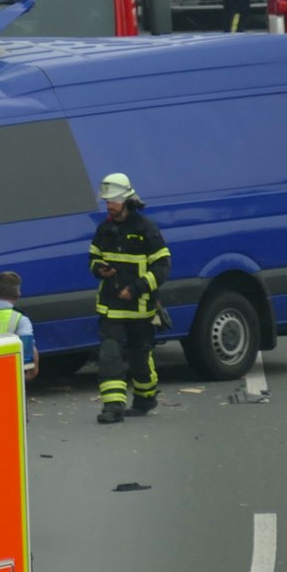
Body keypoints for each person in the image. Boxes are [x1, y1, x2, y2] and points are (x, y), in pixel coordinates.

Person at [88, 173, 172, 424]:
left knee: (139, 358)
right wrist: (98, 269)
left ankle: (146, 398)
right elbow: (92, 259)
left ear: (126, 200)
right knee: (110, 355)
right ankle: (113, 407)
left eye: (113, 201)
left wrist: (136, 288)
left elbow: (162, 267)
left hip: (140, 309)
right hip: (111, 308)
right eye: (107, 202)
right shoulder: (104, 229)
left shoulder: (146, 229)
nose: (109, 206)